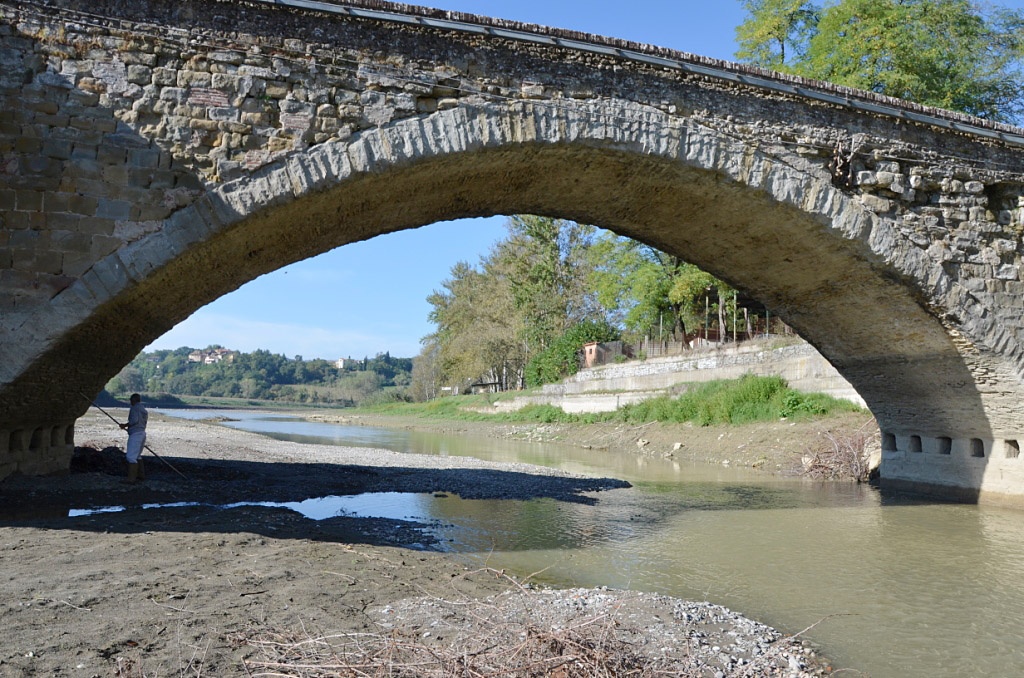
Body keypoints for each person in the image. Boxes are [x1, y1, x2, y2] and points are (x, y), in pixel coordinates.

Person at [119, 393, 148, 483]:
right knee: (137, 456)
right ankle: (141, 475)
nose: (130, 402)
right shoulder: (143, 409)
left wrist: (125, 425)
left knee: (131, 457)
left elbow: (134, 420)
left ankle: (131, 479)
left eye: (131, 400)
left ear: (133, 400)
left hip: (136, 434)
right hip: (142, 433)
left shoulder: (135, 408)